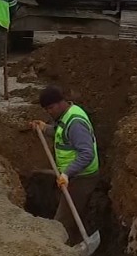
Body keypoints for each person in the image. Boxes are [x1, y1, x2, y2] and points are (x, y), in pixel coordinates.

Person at [32, 86, 99, 247]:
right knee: (66, 214)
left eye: (50, 108)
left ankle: (59, 252)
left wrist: (67, 174)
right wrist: (45, 128)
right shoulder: (66, 115)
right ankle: (71, 241)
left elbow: (87, 153)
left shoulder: (75, 122)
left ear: (61, 103)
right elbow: (61, 132)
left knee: (61, 221)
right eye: (46, 109)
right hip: (72, 176)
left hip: (81, 178)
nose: (49, 112)